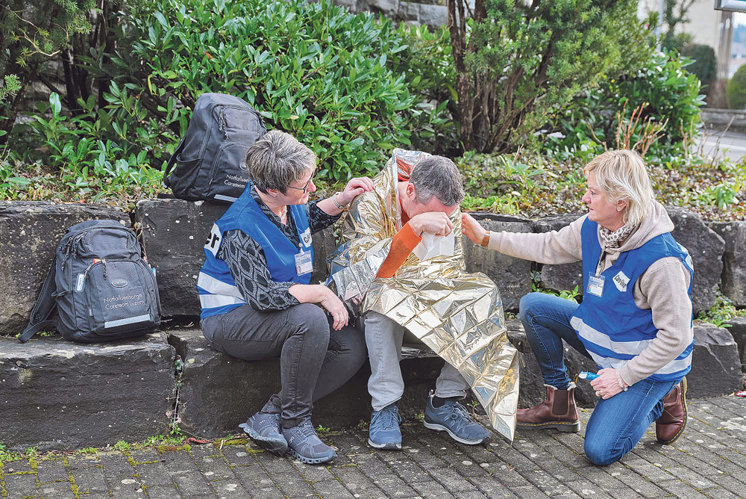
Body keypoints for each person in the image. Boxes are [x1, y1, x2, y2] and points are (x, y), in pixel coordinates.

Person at [461, 149, 693, 466]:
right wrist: (485, 237)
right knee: (533, 307)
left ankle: (663, 397)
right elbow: (546, 245)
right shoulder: (594, 227)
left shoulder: (661, 262)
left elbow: (676, 337)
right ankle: (559, 404)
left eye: (593, 192)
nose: (585, 198)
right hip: (605, 340)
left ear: (621, 201)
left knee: (600, 451)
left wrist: (623, 378)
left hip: (646, 367)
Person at [197, 130, 374, 465]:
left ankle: (270, 414)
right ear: (272, 188)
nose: (311, 189)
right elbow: (262, 296)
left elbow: (307, 219)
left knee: (350, 344)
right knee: (309, 319)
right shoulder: (240, 227)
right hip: (229, 319)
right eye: (304, 186)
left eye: (310, 180)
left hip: (271, 314)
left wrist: (342, 199)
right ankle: (295, 423)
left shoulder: (284, 204)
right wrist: (321, 293)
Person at [330, 149, 520, 451]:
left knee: (482, 293)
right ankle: (385, 406)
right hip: (377, 312)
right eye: (433, 215)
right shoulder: (371, 202)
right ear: (409, 191)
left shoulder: (445, 205)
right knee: (383, 296)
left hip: (426, 307)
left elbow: (451, 272)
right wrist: (413, 228)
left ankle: (445, 401)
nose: (442, 223)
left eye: (447, 216)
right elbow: (364, 278)